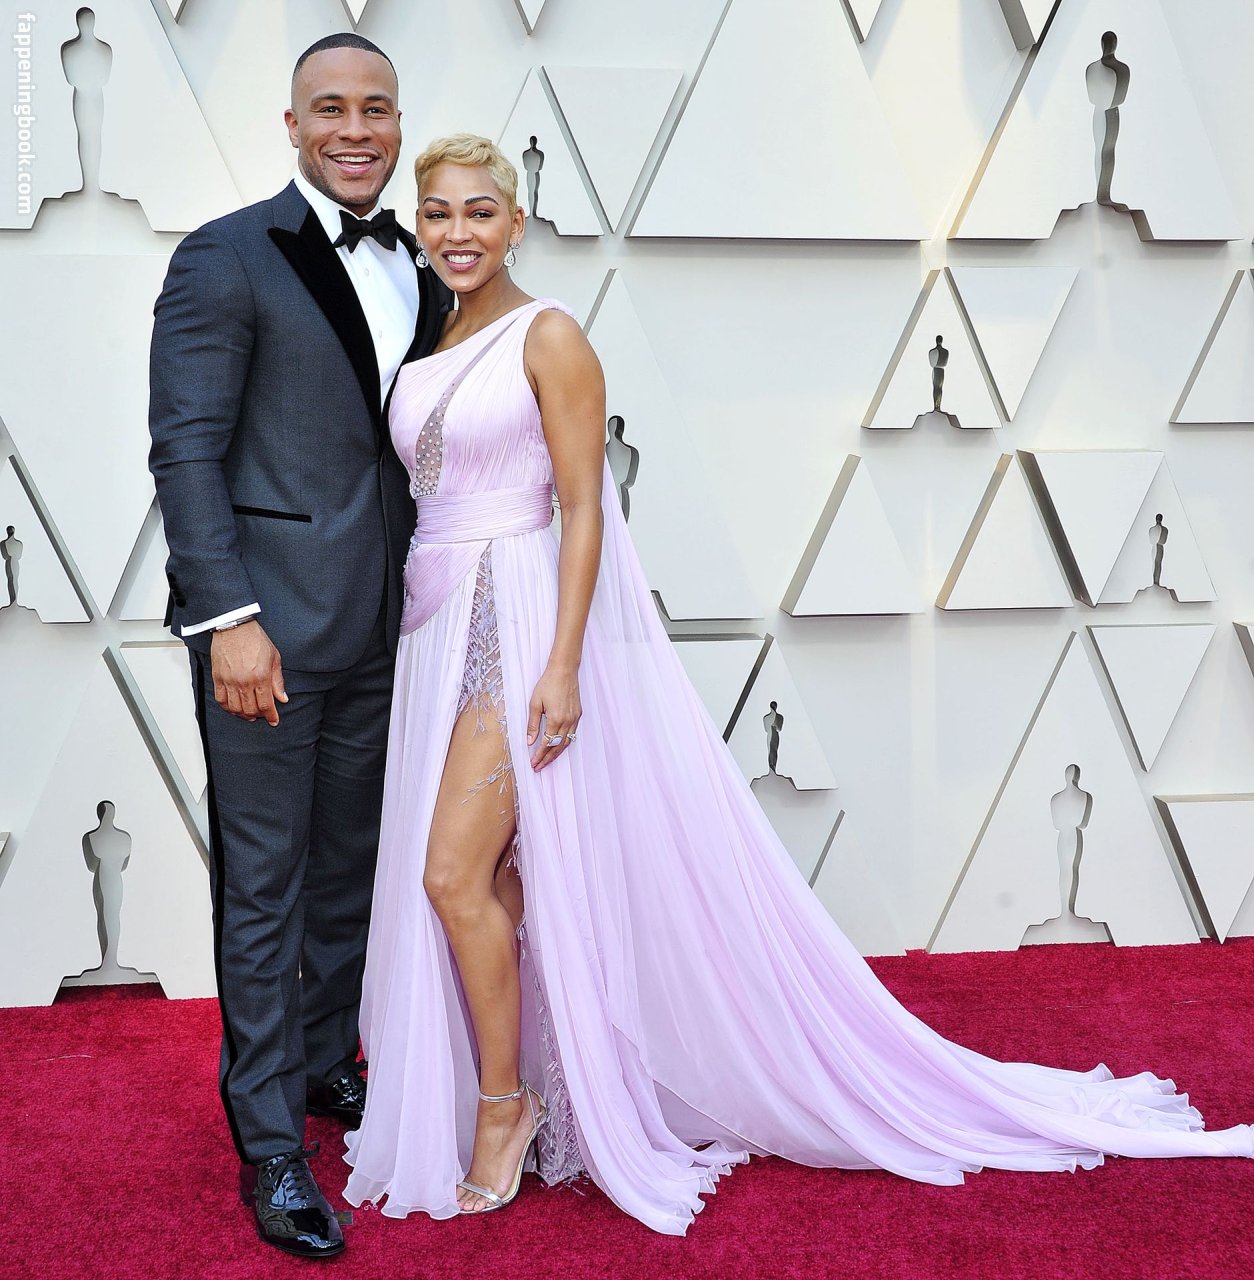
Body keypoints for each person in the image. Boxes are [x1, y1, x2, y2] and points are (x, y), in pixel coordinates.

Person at [342, 134, 1253, 1235]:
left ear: (517, 221)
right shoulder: (432, 341)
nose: (457, 233)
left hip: (518, 618)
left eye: (480, 212)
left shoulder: (551, 335)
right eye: (438, 213)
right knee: (497, 875)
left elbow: (585, 508)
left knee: (452, 874)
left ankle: (506, 1108)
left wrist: (565, 660)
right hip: (436, 622)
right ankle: (547, 1077)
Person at [148, 35, 451, 1259]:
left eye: (377, 109)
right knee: (266, 890)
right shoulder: (225, 255)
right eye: (331, 107)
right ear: (291, 123)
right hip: (263, 639)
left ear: (398, 122)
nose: (356, 129)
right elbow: (185, 448)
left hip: (386, 629)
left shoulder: (423, 261)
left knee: (349, 875)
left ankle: (328, 1065)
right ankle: (270, 1140)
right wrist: (227, 619)